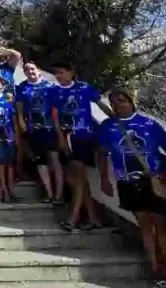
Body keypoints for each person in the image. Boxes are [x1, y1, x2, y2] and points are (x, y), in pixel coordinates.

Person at [97, 89, 166, 287]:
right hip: (127, 182)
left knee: (161, 226)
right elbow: (101, 153)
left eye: (122, 100)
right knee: (144, 226)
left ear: (131, 101)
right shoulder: (107, 126)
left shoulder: (149, 123)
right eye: (114, 102)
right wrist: (104, 179)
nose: (119, 104)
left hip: (153, 181)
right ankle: (155, 268)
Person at [52, 61, 111, 231]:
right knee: (77, 179)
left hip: (85, 136)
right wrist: (61, 139)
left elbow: (100, 104)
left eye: (61, 72)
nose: (58, 76)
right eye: (56, 73)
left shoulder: (84, 87)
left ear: (71, 72)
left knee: (78, 176)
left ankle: (74, 217)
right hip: (68, 137)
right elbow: (55, 117)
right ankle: (94, 218)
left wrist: (116, 118)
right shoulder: (55, 92)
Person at [16, 60, 64, 204]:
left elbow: (57, 108)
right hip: (33, 129)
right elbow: (19, 106)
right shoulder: (22, 87)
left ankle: (59, 194)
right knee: (40, 162)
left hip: (50, 129)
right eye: (26, 70)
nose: (30, 72)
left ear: (38, 70)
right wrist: (21, 121)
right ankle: (49, 193)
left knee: (55, 161)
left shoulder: (50, 86)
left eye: (32, 69)